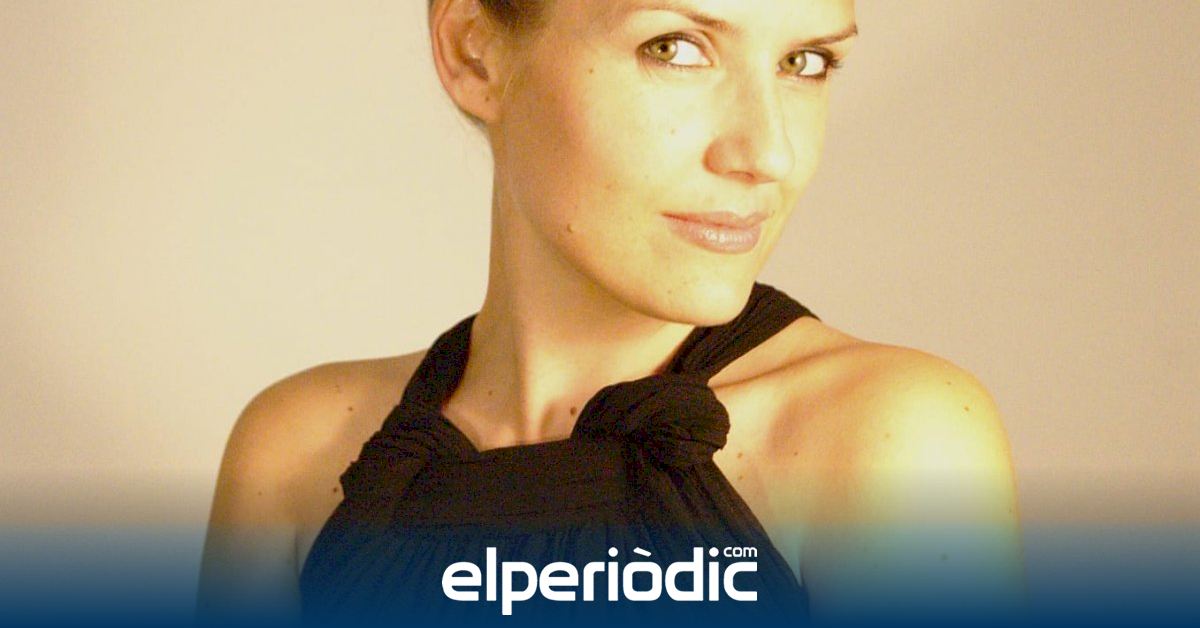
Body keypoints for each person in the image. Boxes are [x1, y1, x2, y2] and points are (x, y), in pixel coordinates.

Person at [197, 0, 1025, 624]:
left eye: (806, 62)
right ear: (474, 52)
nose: (767, 152)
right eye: (675, 48)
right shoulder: (297, 449)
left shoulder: (888, 439)